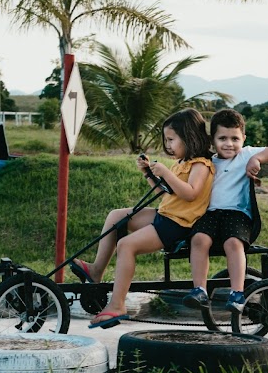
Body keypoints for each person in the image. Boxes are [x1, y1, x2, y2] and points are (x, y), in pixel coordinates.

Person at [71, 108, 215, 329]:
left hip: (178, 224)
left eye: (171, 140)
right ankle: (97, 269)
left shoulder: (200, 165)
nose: (168, 145)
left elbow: (191, 193)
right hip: (165, 215)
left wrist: (166, 173)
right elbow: (164, 193)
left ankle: (117, 305)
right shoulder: (181, 163)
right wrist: (149, 173)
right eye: (166, 140)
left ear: (189, 137)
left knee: (126, 245)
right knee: (116, 216)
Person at [182, 108, 268, 313]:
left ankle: (237, 293)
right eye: (222, 138)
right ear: (212, 140)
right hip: (210, 213)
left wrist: (257, 159)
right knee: (199, 240)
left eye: (235, 138)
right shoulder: (207, 161)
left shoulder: (246, 155)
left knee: (233, 243)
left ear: (243, 139)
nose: (229, 144)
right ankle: (199, 290)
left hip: (237, 214)